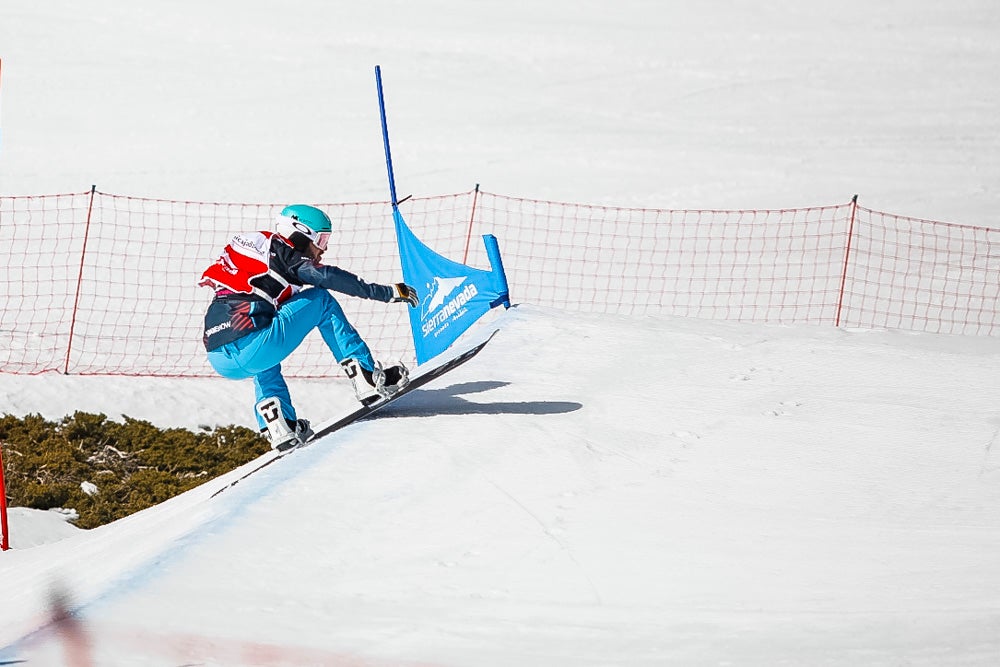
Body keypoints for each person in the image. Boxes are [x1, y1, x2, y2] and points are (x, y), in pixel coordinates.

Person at [199, 204, 419, 451]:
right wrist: (386, 292)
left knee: (266, 354)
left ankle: (280, 425)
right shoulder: (284, 252)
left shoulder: (255, 249)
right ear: (301, 233)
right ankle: (367, 378)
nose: (323, 249)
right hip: (255, 342)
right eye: (322, 239)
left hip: (219, 357)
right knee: (321, 300)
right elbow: (327, 277)